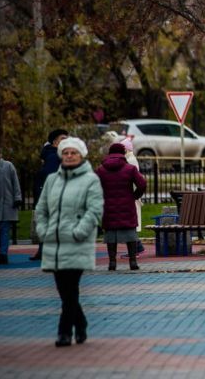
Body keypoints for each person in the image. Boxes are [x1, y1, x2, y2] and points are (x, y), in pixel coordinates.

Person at [35, 137, 103, 347]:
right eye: (66, 153)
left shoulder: (90, 180)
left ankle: (64, 333)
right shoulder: (52, 181)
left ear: (81, 155)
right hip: (54, 244)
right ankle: (80, 322)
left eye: (73, 152)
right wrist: (43, 231)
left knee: (70, 288)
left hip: (76, 243)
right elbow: (41, 209)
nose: (69, 156)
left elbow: (94, 211)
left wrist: (78, 232)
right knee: (64, 291)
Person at [95, 143, 146, 271]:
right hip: (127, 205)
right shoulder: (130, 169)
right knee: (130, 234)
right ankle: (133, 262)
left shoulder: (100, 170)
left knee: (111, 235)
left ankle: (112, 263)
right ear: (123, 153)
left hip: (108, 206)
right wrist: (135, 196)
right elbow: (142, 184)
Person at [31, 129, 67, 261]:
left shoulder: (49, 154)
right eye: (63, 139)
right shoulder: (55, 156)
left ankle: (43, 250)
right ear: (55, 142)